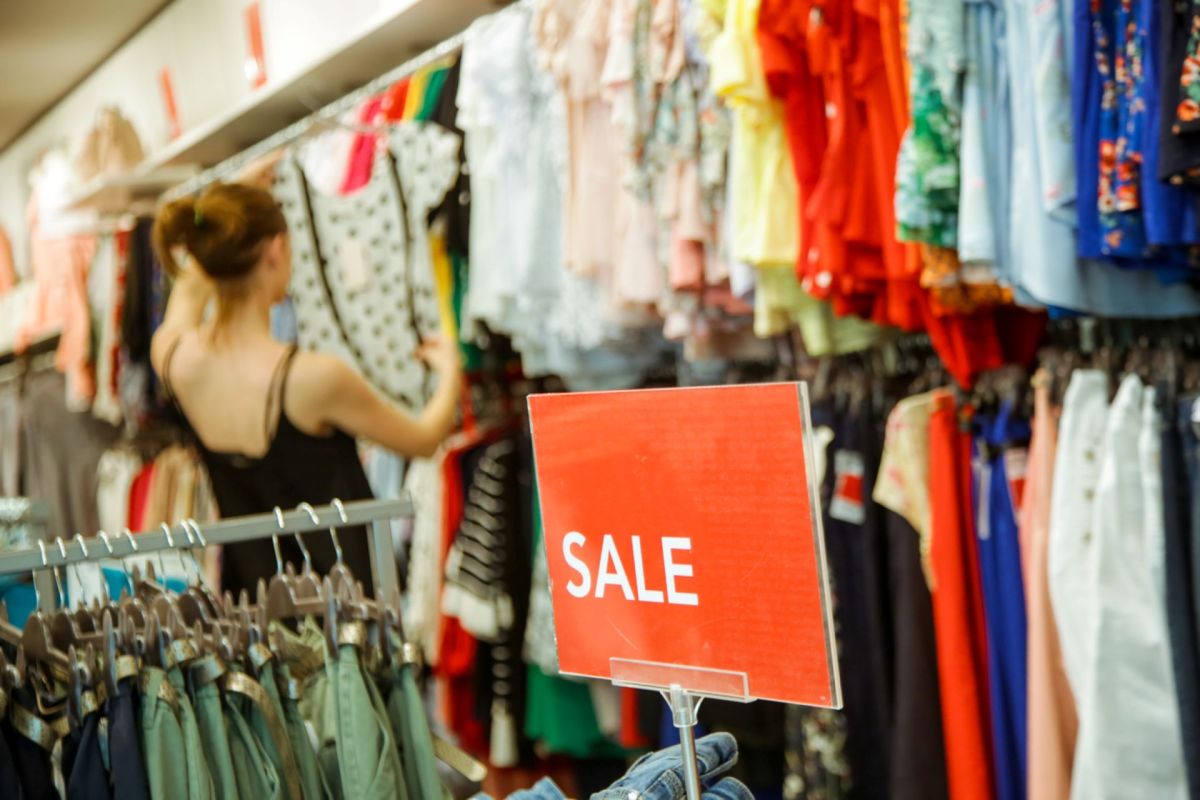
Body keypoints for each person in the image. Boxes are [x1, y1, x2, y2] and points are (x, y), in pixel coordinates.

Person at [150, 182, 462, 595]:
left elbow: (190, 287)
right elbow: (423, 439)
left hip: (252, 602)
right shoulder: (313, 379)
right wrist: (452, 371)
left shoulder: (172, 357)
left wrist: (222, 212)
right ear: (275, 250)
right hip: (342, 605)